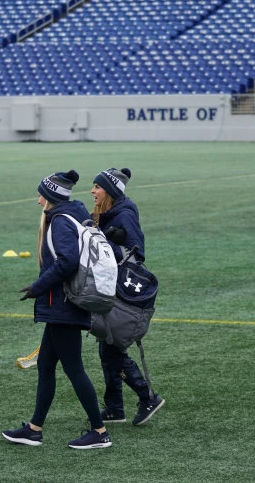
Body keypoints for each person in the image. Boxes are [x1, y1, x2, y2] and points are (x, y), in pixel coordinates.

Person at [2, 170, 112, 449]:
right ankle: (34, 429)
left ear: (51, 196)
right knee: (45, 365)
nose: (38, 200)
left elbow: (68, 262)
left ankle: (99, 433)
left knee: (74, 369)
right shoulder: (74, 214)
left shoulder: (60, 222)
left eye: (41, 194)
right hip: (62, 306)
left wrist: (37, 287)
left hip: (63, 305)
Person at [90, 167, 165, 426]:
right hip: (109, 287)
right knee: (106, 347)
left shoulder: (124, 214)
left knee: (112, 350)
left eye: (97, 187)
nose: (92, 191)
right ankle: (114, 407)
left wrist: (108, 243)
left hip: (121, 293)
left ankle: (148, 397)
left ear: (109, 190)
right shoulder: (108, 212)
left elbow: (137, 255)